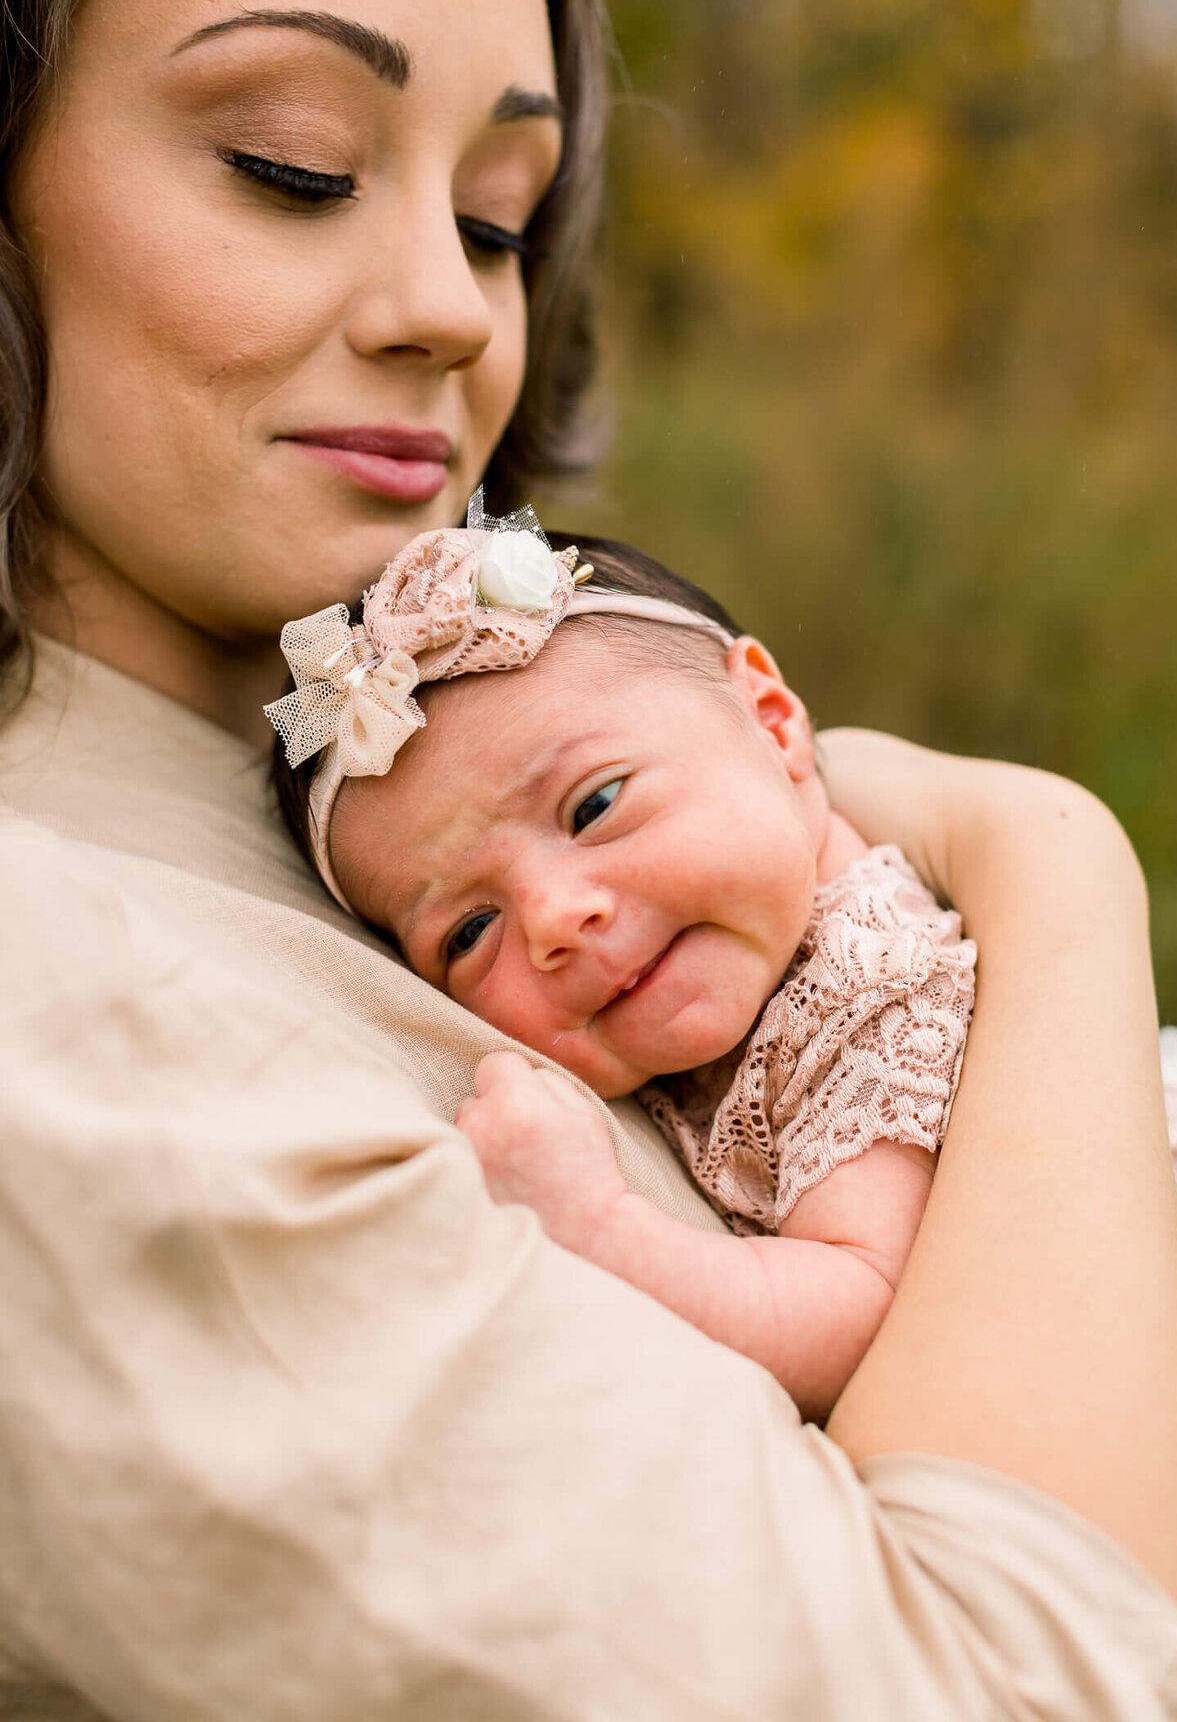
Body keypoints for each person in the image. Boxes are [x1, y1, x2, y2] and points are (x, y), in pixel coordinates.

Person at [0, 0, 1177, 1716]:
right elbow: (1024, 1685)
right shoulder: (61, 996)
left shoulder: (408, 774)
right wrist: (1052, 866)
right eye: (292, 165)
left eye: (499, 218)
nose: (454, 305)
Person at [268, 515, 977, 1423]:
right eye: (471, 930)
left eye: (595, 804)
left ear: (771, 722)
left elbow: (864, 1323)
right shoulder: (727, 957)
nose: (557, 919)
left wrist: (598, 1223)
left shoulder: (872, 982)